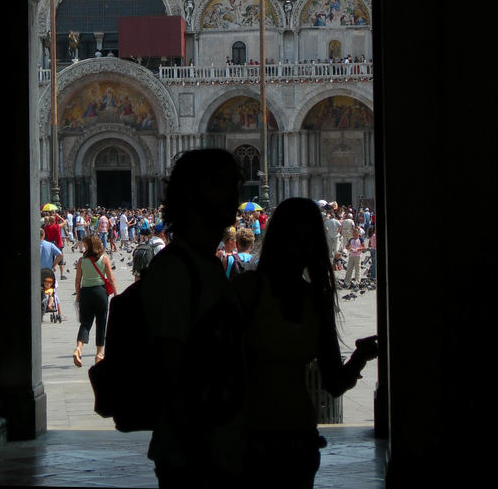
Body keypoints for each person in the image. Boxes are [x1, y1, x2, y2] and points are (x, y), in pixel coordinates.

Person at [232, 197, 378, 489]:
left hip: (274, 436)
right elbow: (336, 383)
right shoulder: (306, 298)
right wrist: (361, 356)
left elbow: (334, 382)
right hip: (273, 436)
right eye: (297, 239)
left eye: (306, 239)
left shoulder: (251, 290)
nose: (301, 247)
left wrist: (361, 356)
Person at [140, 148, 246, 488]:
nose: (235, 197)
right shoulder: (174, 270)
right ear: (193, 193)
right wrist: (204, 451)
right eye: (223, 185)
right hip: (196, 457)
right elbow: (172, 371)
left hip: (221, 446)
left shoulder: (209, 265)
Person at [73, 234, 118, 367]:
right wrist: (116, 295)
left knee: (85, 322)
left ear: (88, 245)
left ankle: (78, 349)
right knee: (101, 321)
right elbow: (111, 278)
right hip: (100, 292)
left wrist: (78, 297)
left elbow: (77, 281)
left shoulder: (82, 260)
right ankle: (99, 354)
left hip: (86, 293)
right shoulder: (104, 259)